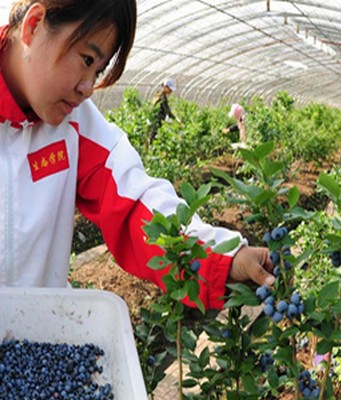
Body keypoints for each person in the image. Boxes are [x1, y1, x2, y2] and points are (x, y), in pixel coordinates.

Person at [0, 0, 275, 310]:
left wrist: (225, 256)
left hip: (37, 337)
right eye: (86, 59)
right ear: (34, 26)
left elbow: (134, 205)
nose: (88, 88)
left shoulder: (74, 126)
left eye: (98, 69)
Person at [148, 77, 178, 145]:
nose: (171, 91)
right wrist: (175, 120)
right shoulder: (162, 97)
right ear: (165, 87)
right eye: (170, 89)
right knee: (154, 137)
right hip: (157, 120)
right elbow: (167, 110)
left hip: (155, 119)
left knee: (153, 137)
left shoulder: (159, 94)